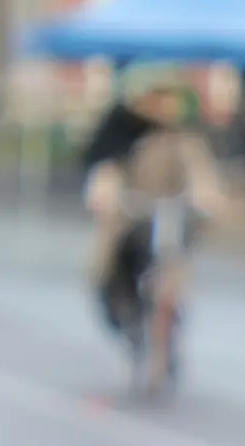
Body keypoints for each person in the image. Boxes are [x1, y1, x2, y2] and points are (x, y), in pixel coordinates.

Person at [88, 66, 224, 337]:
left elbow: (199, 170)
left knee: (173, 266)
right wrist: (105, 190)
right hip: (131, 213)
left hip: (171, 214)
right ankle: (118, 303)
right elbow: (108, 169)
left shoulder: (183, 137)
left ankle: (170, 318)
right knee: (107, 261)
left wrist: (206, 195)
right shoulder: (123, 133)